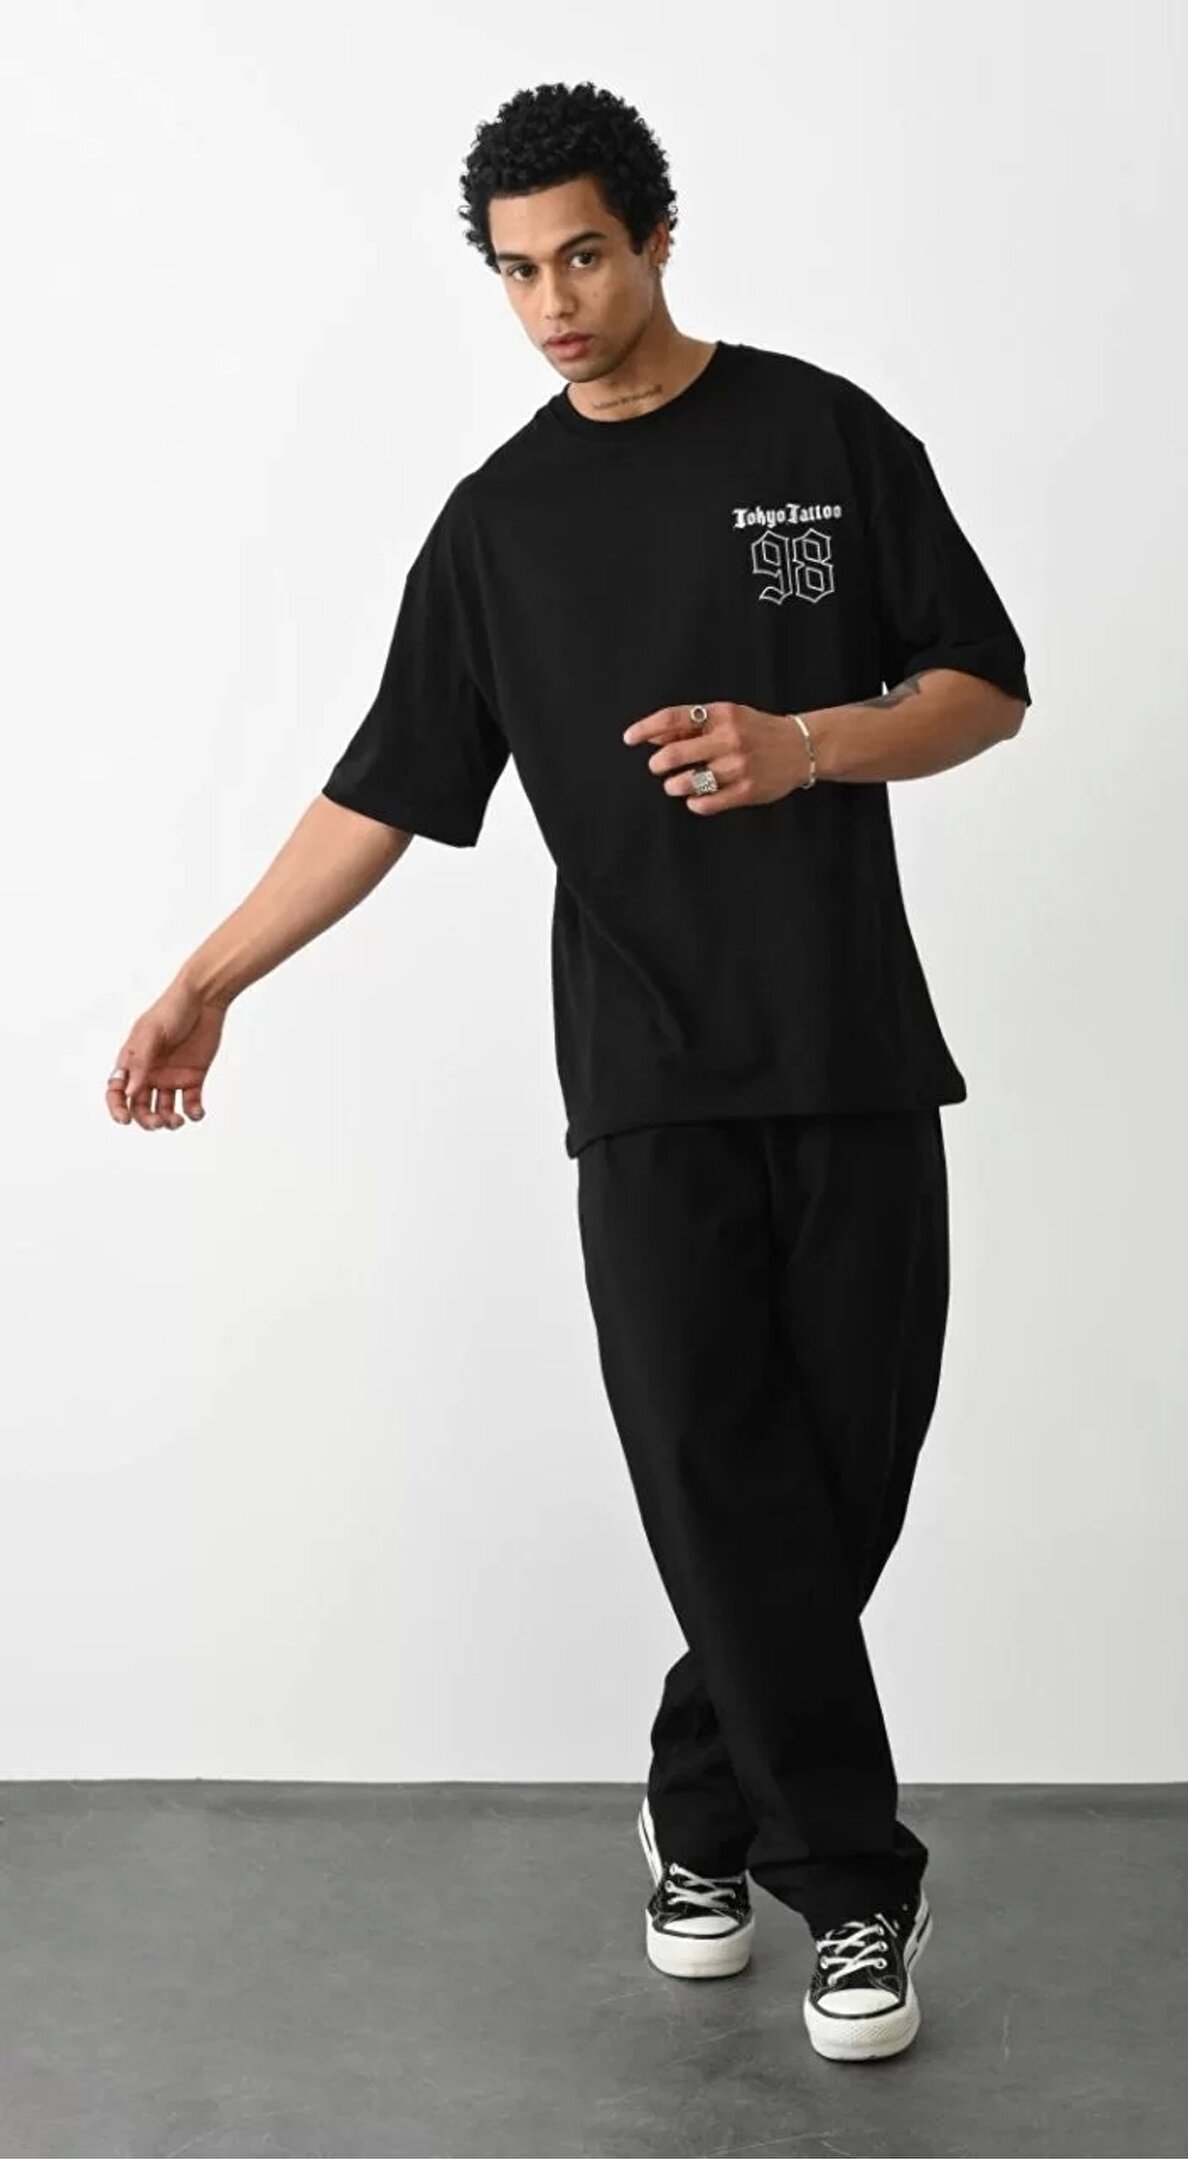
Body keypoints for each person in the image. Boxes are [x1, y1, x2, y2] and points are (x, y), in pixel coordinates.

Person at [104, 79, 1031, 2065]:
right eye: (518, 272)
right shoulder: (498, 529)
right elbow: (381, 792)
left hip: (855, 1053)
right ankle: (851, 1889)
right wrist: (209, 978)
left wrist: (808, 744)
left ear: (658, 239)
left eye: (585, 256)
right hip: (645, 1077)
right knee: (713, 1476)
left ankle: (697, 1808)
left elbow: (983, 687)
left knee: (843, 1485)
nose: (554, 305)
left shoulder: (824, 440)